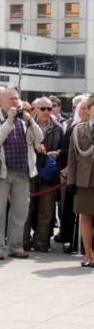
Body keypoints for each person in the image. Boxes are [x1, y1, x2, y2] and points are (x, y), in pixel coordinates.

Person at [0, 87, 43, 260]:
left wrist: (31, 122)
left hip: (22, 171)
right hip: (2, 172)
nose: (15, 101)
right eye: (11, 98)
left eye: (17, 98)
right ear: (1, 101)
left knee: (20, 212)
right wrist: (9, 122)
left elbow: (39, 138)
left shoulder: (24, 119)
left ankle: (15, 246)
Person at [25, 97, 63, 252]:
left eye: (49, 108)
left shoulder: (58, 128)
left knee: (46, 212)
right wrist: (32, 144)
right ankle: (23, 243)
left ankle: (41, 243)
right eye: (43, 109)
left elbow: (64, 149)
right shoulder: (25, 125)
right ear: (35, 110)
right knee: (26, 211)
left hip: (49, 173)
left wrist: (57, 153)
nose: (47, 111)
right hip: (29, 171)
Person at [67, 95, 94, 266]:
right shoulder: (78, 130)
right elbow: (72, 157)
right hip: (84, 180)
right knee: (85, 217)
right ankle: (87, 253)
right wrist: (71, 181)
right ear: (89, 110)